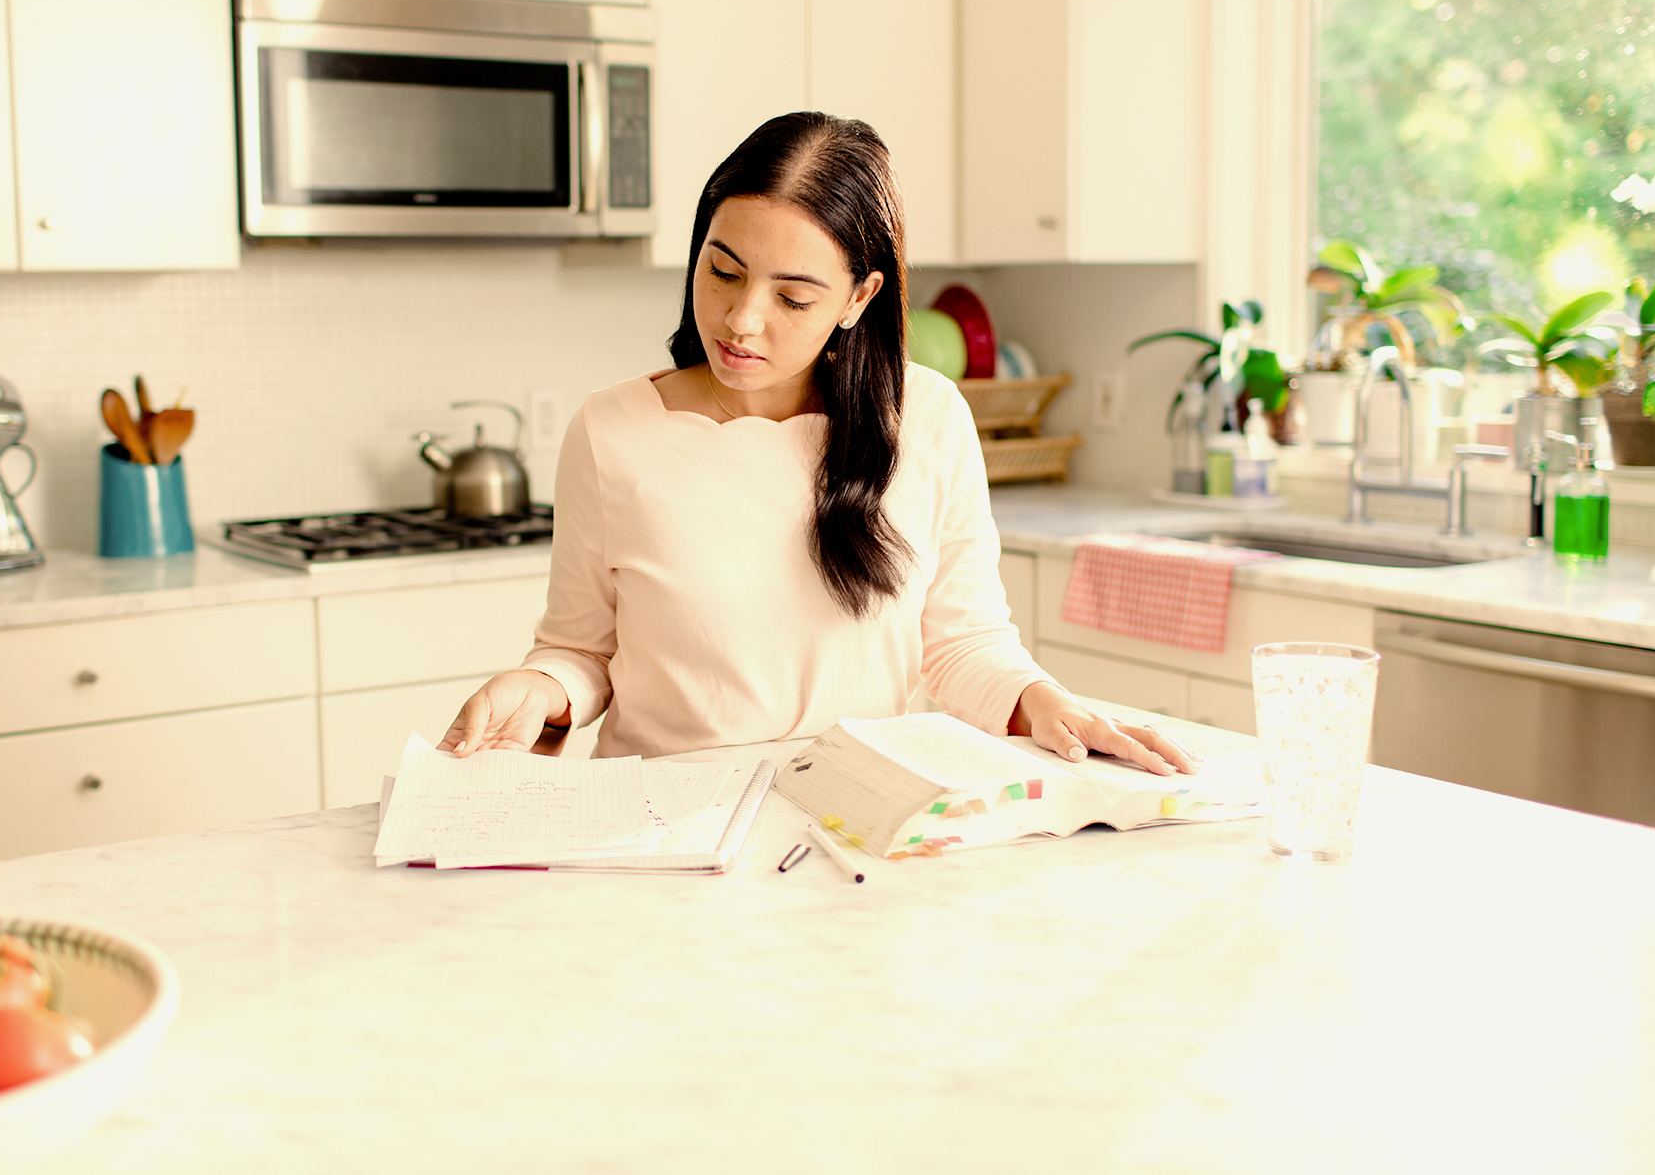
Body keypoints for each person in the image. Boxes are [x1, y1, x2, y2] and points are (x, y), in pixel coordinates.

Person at [440, 112, 1197, 777]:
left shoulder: (928, 418)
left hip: (862, 817)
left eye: (792, 297)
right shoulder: (614, 432)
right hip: (668, 832)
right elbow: (582, 650)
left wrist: (1047, 704)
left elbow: (964, 642)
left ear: (858, 298)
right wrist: (540, 689)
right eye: (722, 271)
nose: (741, 319)